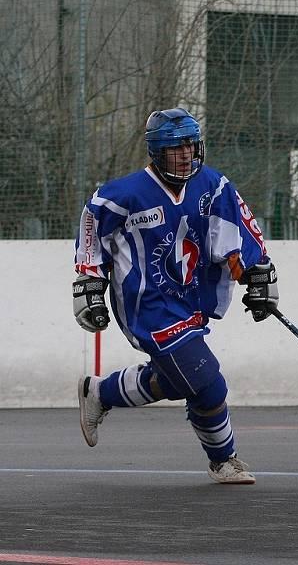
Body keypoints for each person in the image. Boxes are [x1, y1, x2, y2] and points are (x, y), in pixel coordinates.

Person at [73, 107, 278, 484]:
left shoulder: (214, 186)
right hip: (147, 307)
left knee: (179, 380)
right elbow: (92, 229)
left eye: (191, 145)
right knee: (208, 382)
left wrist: (259, 274)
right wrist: (89, 286)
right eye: (175, 148)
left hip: (191, 301)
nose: (186, 154)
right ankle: (224, 460)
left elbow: (240, 230)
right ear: (156, 151)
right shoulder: (121, 196)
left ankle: (100, 392)